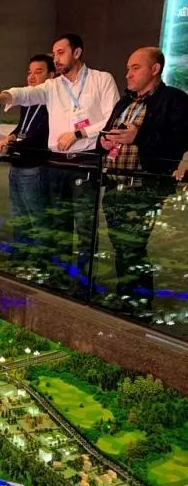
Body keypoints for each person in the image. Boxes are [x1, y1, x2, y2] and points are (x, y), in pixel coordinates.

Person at [0, 34, 120, 291]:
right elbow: (25, 94)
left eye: (61, 52)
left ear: (77, 53)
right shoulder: (53, 86)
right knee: (58, 224)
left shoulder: (101, 79)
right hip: (56, 164)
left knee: (85, 228)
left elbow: (112, 118)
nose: (57, 58)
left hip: (85, 163)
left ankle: (84, 284)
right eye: (55, 53)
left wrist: (78, 133)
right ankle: (59, 279)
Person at [97, 47, 188, 313]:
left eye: (135, 68)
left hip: (144, 188)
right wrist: (103, 142)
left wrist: (138, 136)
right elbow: (108, 134)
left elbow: (175, 145)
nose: (128, 74)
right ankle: (126, 298)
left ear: (155, 69)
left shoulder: (174, 100)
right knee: (121, 247)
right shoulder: (125, 102)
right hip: (114, 186)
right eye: (128, 68)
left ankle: (138, 304)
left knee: (133, 248)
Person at [0, 54, 55, 263]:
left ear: (51, 76)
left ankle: (40, 260)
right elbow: (22, 129)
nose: (31, 77)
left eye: (38, 72)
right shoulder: (28, 100)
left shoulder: (51, 102)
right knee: (18, 213)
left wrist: (11, 145)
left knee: (37, 216)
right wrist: (10, 137)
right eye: (29, 72)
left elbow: (39, 135)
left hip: (34, 166)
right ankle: (20, 251)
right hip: (17, 163)